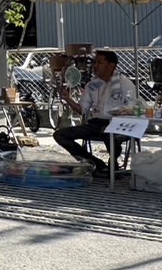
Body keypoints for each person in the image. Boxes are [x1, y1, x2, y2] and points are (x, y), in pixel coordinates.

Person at [53, 49, 137, 177]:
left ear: (111, 65)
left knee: (109, 133)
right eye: (94, 62)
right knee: (60, 135)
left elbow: (131, 108)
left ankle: (113, 164)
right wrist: (67, 98)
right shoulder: (92, 85)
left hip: (117, 123)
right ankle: (95, 163)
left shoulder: (124, 83)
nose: (95, 66)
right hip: (96, 123)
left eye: (99, 62)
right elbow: (82, 110)